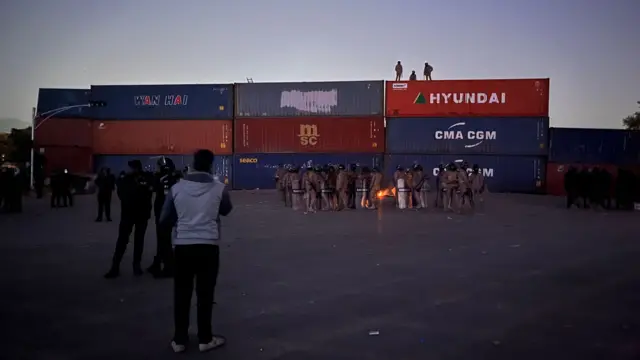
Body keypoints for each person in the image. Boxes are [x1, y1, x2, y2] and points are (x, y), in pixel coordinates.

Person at [159, 149, 232, 353]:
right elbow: (226, 210)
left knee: (181, 293)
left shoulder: (176, 188)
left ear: (193, 163)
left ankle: (179, 340)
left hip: (183, 246)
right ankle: (205, 339)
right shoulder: (219, 188)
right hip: (208, 247)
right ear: (211, 165)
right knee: (205, 294)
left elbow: (164, 220)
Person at [104, 160, 153, 278]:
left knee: (132, 241)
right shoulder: (127, 179)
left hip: (136, 213)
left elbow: (151, 188)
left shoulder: (143, 178)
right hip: (133, 213)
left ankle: (126, 266)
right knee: (127, 241)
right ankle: (119, 266)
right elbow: (122, 193)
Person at [148, 157, 180, 278]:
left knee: (164, 240)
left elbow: (160, 192)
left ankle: (169, 268)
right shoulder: (173, 178)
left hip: (165, 214)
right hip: (165, 213)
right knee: (161, 240)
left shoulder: (166, 179)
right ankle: (157, 263)